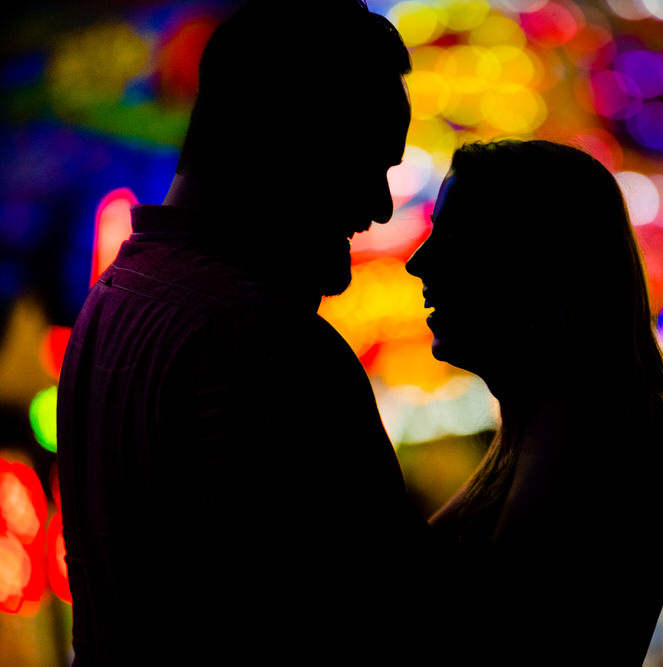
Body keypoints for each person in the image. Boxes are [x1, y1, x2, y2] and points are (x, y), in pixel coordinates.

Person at [57, 3, 433, 664]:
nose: (377, 207)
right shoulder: (260, 340)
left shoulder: (113, 300)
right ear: (289, 143)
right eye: (366, 162)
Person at [405, 139, 663, 664]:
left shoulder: (576, 449)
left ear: (532, 264)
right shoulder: (542, 436)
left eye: (453, 238)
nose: (419, 263)